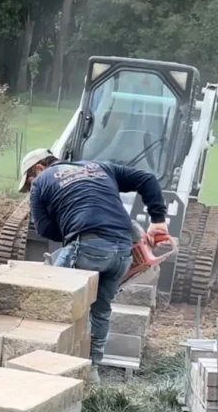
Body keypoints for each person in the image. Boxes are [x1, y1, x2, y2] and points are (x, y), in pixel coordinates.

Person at [18, 147, 170, 381]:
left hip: (88, 247)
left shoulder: (42, 181)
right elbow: (147, 178)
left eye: (28, 182)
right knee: (100, 310)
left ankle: (52, 367)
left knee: (54, 299)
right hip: (122, 252)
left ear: (39, 168)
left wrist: (70, 224)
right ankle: (91, 370)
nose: (30, 188)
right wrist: (158, 221)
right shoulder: (100, 167)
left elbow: (44, 228)